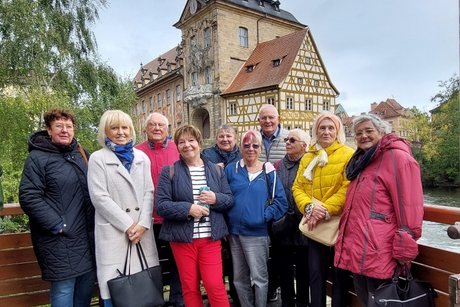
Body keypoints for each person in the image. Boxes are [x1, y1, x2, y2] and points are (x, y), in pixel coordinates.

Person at [334, 114, 424, 306]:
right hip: (359, 248)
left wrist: (405, 247)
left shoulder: (398, 158)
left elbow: (410, 207)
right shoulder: (363, 160)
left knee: (381, 301)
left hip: (381, 249)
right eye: (358, 133)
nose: (363, 136)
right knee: (366, 300)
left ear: (382, 132)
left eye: (369, 131)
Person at [19, 108, 96, 306]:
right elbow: (29, 196)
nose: (64, 131)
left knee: (85, 290)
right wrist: (57, 225)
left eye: (69, 126)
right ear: (49, 130)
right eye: (59, 126)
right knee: (64, 289)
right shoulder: (37, 158)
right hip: (58, 240)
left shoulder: (81, 153)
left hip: (87, 238)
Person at [87, 110, 159, 307]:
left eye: (125, 127)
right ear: (105, 131)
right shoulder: (98, 158)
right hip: (115, 233)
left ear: (131, 130)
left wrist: (143, 224)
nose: (121, 132)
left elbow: (149, 192)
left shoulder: (141, 157)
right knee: (117, 291)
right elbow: (100, 197)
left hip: (141, 233)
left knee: (143, 292)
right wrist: (129, 225)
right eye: (115, 128)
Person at [155, 124, 233, 307]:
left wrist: (215, 198)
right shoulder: (169, 172)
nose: (187, 145)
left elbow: (229, 200)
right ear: (177, 146)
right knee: (189, 287)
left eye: (191, 140)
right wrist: (188, 209)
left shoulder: (216, 170)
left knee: (215, 285)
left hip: (210, 239)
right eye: (181, 142)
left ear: (199, 143)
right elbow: (161, 205)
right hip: (182, 240)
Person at [292, 112, 354, 307]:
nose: (326, 132)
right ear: (316, 131)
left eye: (331, 128)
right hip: (314, 225)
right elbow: (298, 187)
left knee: (339, 276)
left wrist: (324, 209)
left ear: (338, 131)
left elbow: (348, 188)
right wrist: (309, 207)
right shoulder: (308, 156)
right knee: (315, 274)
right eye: (322, 128)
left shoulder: (348, 154)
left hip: (337, 225)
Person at [225, 129, 288, 307]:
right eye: (246, 145)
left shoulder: (269, 171)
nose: (250, 148)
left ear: (261, 148)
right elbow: (224, 197)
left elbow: (281, 202)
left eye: (255, 145)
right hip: (234, 233)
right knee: (239, 278)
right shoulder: (232, 170)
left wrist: (262, 217)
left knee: (259, 278)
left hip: (257, 234)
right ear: (241, 148)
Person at [135, 112, 184, 307]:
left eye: (161, 125)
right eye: (152, 125)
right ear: (145, 129)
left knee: (177, 262)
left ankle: (177, 300)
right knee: (150, 264)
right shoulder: (136, 152)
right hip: (147, 220)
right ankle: (154, 301)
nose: (157, 128)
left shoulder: (177, 148)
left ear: (167, 128)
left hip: (173, 218)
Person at [202, 124, 241, 305]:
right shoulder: (207, 155)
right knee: (216, 261)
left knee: (235, 260)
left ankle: (235, 294)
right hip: (215, 212)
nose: (225, 139)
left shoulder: (241, 155)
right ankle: (217, 296)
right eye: (221, 136)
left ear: (235, 138)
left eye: (229, 136)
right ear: (216, 138)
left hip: (236, 211)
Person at [273, 129, 311, 307]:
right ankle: (287, 302)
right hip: (284, 226)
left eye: (292, 140)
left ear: (304, 145)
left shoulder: (312, 164)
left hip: (305, 225)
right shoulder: (278, 166)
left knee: (304, 271)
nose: (287, 143)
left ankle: (303, 303)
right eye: (286, 140)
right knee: (285, 271)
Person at [257, 104, 288, 302]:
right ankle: (261, 286)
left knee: (278, 251)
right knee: (260, 251)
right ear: (258, 120)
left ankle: (274, 287)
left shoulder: (288, 137)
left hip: (280, 202)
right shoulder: (253, 138)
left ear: (278, 118)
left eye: (271, 117)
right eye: (264, 118)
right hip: (258, 204)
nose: (268, 121)